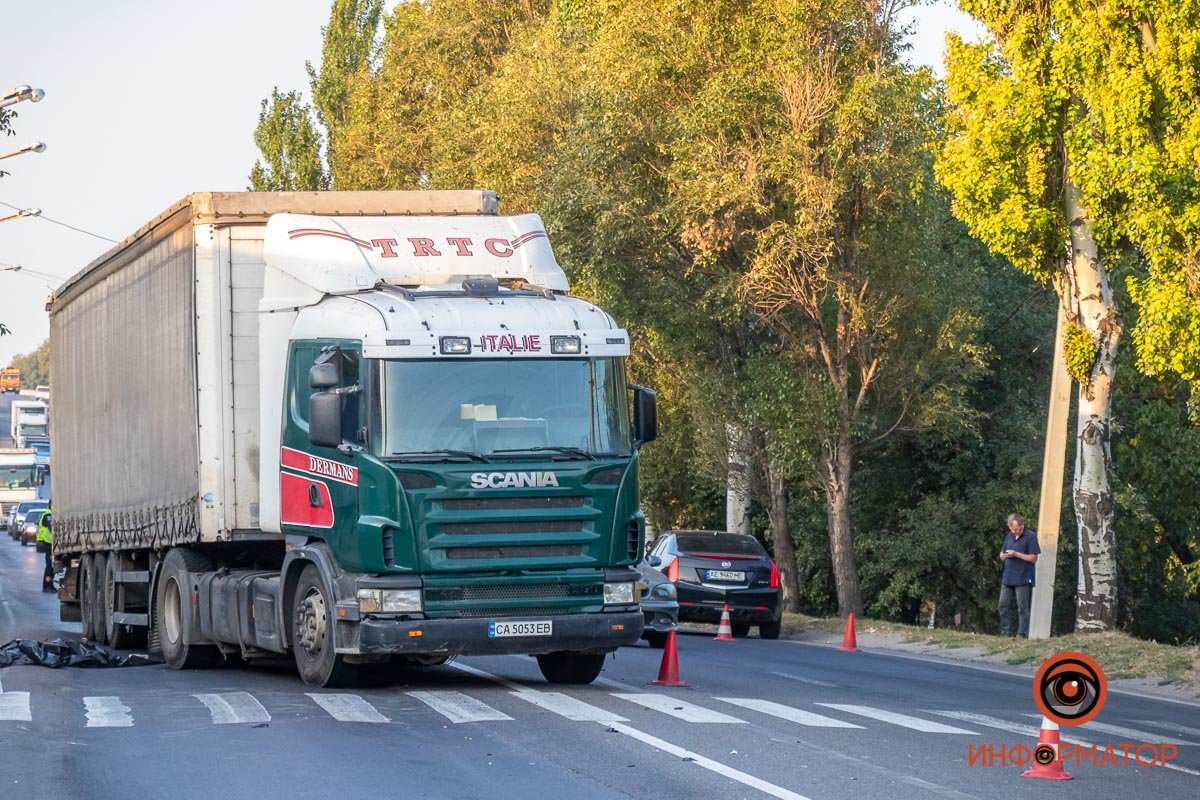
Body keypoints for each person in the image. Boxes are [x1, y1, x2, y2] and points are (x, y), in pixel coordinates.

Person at [998, 512, 1040, 637]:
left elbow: (1033, 558)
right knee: (1003, 606)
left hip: (1023, 578)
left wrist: (1016, 554)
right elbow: (1001, 554)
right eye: (1012, 530)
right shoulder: (1009, 536)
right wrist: (1004, 556)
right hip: (1008, 578)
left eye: (1017, 529)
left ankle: (1022, 634)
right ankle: (1005, 632)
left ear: (1022, 526)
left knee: (1022, 609)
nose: (1014, 532)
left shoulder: (1030, 536)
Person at [35, 508, 54, 593]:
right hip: (47, 543)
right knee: (49, 566)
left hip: (50, 543)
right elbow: (51, 527)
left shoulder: (49, 514)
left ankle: (50, 585)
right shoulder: (48, 515)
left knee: (52, 566)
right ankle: (47, 586)